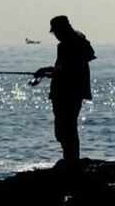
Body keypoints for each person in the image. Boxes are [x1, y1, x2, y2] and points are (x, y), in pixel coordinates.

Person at [32, 16, 96, 168]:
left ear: (62, 29)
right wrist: (48, 71)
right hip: (74, 91)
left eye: (56, 32)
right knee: (67, 127)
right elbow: (65, 69)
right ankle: (71, 159)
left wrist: (46, 71)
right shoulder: (78, 40)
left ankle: (71, 161)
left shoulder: (68, 45)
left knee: (64, 129)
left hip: (66, 92)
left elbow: (66, 71)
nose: (55, 35)